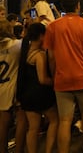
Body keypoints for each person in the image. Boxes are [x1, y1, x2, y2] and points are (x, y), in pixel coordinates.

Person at [43, 0, 83, 153]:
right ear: (78, 6)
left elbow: (51, 57)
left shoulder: (53, 27)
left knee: (64, 120)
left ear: (62, 6)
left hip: (62, 79)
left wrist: (55, 74)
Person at [17, 23, 58, 153]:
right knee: (54, 120)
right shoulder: (40, 55)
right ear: (41, 36)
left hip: (26, 95)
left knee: (33, 128)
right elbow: (42, 79)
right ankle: (48, 150)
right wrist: (55, 82)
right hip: (40, 95)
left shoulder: (25, 52)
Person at [0, 20, 27, 153]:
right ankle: (19, 149)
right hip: (15, 87)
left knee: (3, 123)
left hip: (1, 88)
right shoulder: (16, 45)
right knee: (22, 119)